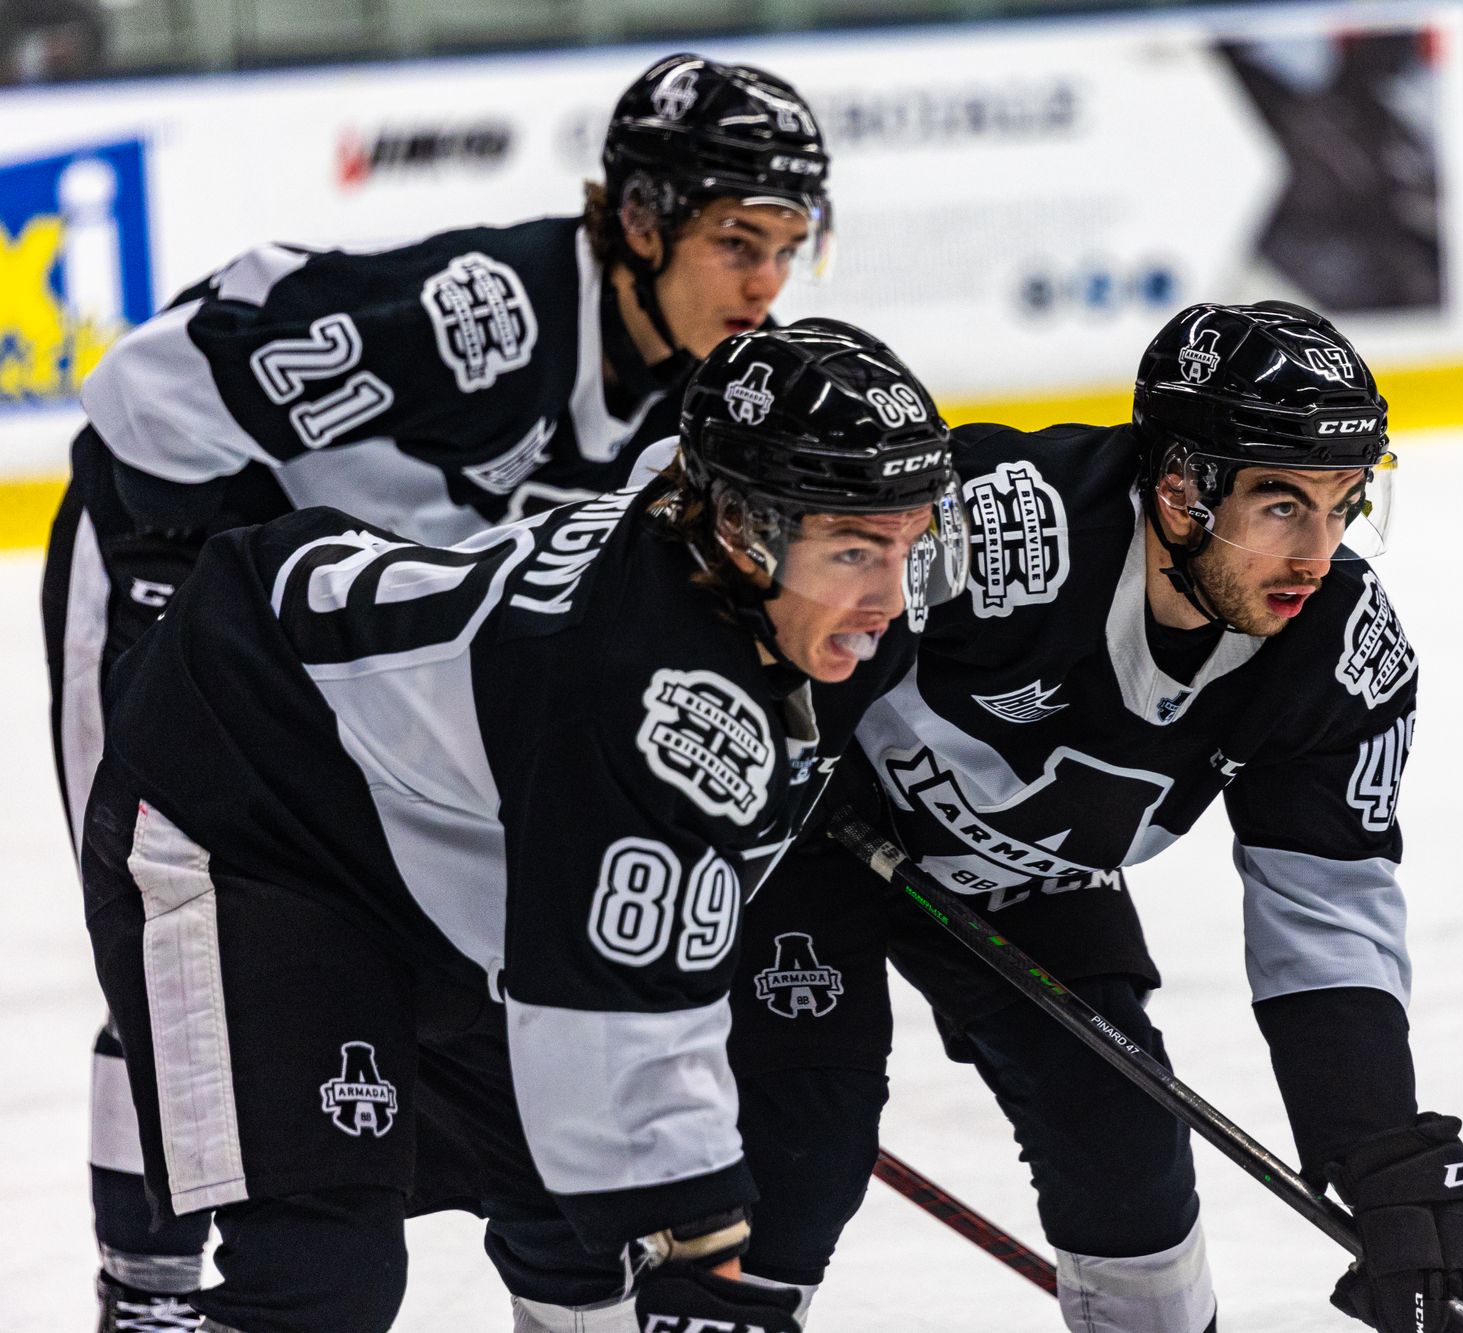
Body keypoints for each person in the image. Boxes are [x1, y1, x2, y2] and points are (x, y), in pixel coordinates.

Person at [38, 52, 831, 1328]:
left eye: (790, 245)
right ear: (637, 219)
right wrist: (181, 614)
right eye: (738, 239)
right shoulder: (486, 320)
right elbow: (151, 393)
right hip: (182, 579)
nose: (765, 283)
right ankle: (150, 1290)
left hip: (360, 673)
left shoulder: (717, 399)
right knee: (161, 933)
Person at [76, 321, 965, 1333]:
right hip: (246, 786)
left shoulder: (710, 519)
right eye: (853, 548)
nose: (891, 597)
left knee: (573, 1233)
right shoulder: (639, 686)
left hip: (426, 828)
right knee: (319, 1278)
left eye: (908, 536)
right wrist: (703, 1247)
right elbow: (611, 1009)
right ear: (742, 530)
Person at [723, 301, 1463, 1333]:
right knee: (804, 1142)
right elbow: (748, 633)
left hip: (1032, 877)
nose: (1316, 551)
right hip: (811, 835)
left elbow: (1326, 905)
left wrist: (1372, 1146)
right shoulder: (993, 529)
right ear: (1178, 488)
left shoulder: (1336, 651)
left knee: (1126, 1150)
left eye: (1342, 503)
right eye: (1277, 504)